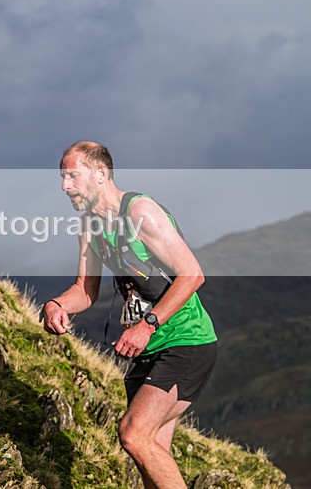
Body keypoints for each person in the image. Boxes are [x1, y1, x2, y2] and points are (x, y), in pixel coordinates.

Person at [40, 141, 217, 488]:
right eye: (62, 178)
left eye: (72, 176)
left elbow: (192, 275)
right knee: (148, 459)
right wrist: (57, 305)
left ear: (101, 174)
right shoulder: (90, 226)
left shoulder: (139, 212)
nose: (65, 186)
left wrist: (147, 325)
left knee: (133, 434)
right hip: (148, 351)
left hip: (186, 341)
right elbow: (85, 290)